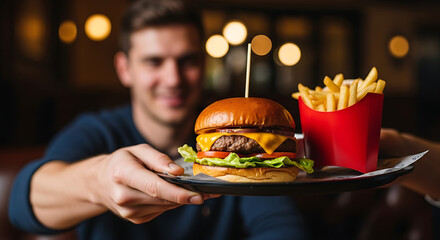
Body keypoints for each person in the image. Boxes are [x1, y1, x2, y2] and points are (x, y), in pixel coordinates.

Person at [8, 0, 306, 239]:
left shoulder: (242, 162)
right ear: (125, 69)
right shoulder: (98, 132)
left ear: (203, 65)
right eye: (154, 62)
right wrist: (100, 181)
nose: (173, 78)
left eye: (186, 61)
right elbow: (24, 203)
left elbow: (281, 225)